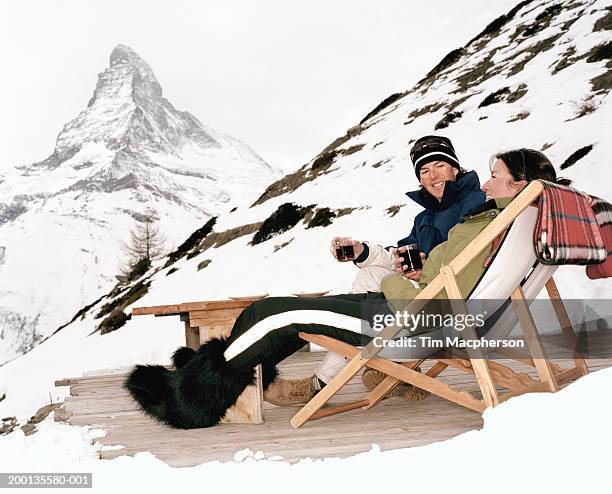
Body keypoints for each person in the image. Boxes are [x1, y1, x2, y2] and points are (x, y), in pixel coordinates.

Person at [125, 149, 569, 429]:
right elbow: (443, 270)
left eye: (495, 174)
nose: (486, 179)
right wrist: (390, 264)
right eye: (425, 169)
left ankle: (191, 401)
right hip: (420, 310)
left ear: (517, 185)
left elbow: (437, 284)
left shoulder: (486, 220)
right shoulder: (507, 221)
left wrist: (399, 277)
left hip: (415, 320)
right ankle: (209, 376)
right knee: (277, 314)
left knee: (275, 314)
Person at [320, 135, 485, 398]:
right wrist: (362, 251)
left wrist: (427, 268)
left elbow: (469, 254)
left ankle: (338, 375)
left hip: (454, 298)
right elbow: (399, 255)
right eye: (424, 171)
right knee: (371, 273)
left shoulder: (476, 203)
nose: (432, 176)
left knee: (372, 284)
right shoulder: (425, 217)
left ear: (455, 168)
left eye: (439, 166)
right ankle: (381, 364)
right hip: (430, 289)